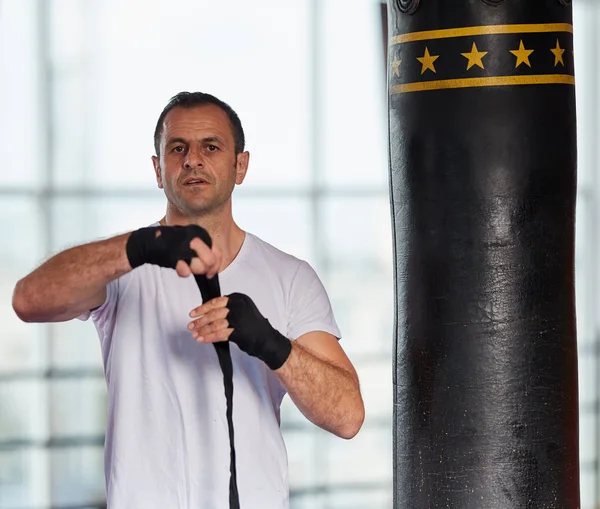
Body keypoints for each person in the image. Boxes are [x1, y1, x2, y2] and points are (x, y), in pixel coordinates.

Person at [12, 92, 365, 508]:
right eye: (177, 148)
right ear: (159, 170)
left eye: (210, 147)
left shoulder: (289, 276)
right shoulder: (124, 271)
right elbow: (28, 300)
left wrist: (273, 345)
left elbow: (347, 417)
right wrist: (139, 247)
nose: (193, 159)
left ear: (241, 165)